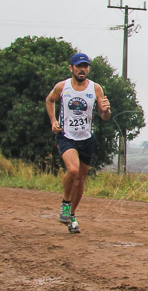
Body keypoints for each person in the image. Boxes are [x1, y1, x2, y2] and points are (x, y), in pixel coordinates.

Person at [45, 52, 111, 233]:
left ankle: (71, 216)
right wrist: (53, 121)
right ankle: (65, 204)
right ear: (71, 68)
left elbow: (104, 116)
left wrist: (106, 111)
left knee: (81, 179)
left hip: (86, 138)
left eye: (85, 66)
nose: (82, 70)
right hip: (66, 136)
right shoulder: (62, 87)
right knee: (73, 170)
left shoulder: (96, 89)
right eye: (79, 66)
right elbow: (50, 101)